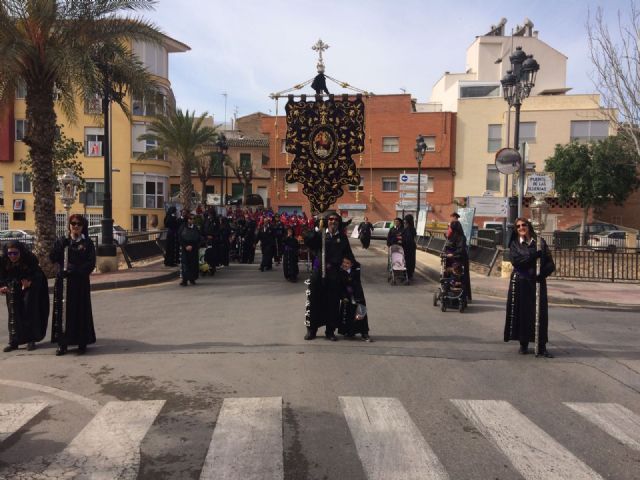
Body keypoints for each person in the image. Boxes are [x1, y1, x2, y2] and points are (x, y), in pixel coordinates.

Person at [504, 217, 555, 357]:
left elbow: (550, 263)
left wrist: (542, 274)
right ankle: (523, 343)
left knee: (540, 313)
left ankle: (542, 346)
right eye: (518, 226)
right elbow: (517, 262)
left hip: (537, 283)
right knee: (523, 313)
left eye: (523, 225)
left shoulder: (540, 242)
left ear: (528, 226)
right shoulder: (514, 244)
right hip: (521, 282)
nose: (521, 227)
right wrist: (534, 255)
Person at [304, 211, 355, 341]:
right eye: (331, 219)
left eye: (336, 220)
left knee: (332, 304)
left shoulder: (342, 238)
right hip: (317, 274)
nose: (333, 221)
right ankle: (312, 330)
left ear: (339, 222)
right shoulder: (320, 234)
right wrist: (317, 230)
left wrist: (349, 267)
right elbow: (308, 240)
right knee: (314, 302)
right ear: (327, 222)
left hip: (334, 275)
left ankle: (330, 331)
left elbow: (349, 256)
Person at [50, 214, 96, 356]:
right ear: (69, 225)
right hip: (64, 283)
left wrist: (77, 270)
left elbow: (91, 262)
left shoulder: (87, 243)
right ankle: (62, 343)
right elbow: (52, 258)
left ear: (83, 227)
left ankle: (81, 342)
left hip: (79, 283)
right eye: (73, 223)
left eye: (79, 224)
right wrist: (60, 247)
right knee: (63, 312)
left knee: (80, 311)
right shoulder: (62, 241)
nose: (75, 226)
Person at [0, 241, 49, 352]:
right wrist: (2, 286)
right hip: (13, 285)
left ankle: (30, 340)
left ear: (20, 252)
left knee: (28, 309)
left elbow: (37, 274)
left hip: (30, 285)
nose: (12, 256)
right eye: (10, 253)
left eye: (15, 253)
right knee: (13, 311)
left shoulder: (30, 258)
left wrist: (29, 282)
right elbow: (1, 276)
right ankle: (14, 341)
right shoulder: (3, 260)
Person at [337, 256, 371, 341]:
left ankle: (364, 333)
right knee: (348, 314)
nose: (345, 264)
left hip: (358, 295)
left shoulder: (356, 270)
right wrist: (343, 296)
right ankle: (349, 332)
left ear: (352, 264)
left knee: (360, 313)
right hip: (346, 296)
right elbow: (340, 286)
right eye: (344, 262)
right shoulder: (340, 272)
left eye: (347, 263)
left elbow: (357, 266)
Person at [445, 219, 472, 302]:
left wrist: (452, 254)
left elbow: (461, 249)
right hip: (450, 259)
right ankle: (449, 292)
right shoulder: (451, 237)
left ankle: (464, 295)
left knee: (461, 277)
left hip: (460, 259)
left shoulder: (461, 237)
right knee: (449, 275)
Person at [179, 214, 201, 286]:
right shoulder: (183, 227)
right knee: (185, 264)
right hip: (185, 249)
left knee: (193, 264)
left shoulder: (195, 228)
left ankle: (192, 279)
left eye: (193, 219)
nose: (192, 220)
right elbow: (180, 237)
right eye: (190, 219)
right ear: (187, 220)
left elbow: (198, 238)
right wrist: (185, 246)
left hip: (193, 248)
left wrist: (192, 246)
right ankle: (184, 280)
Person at [402, 214, 417, 282]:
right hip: (411, 247)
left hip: (408, 247)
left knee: (407, 261)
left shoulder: (408, 229)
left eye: (405, 220)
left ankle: (407, 275)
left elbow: (408, 239)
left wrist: (401, 239)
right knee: (410, 261)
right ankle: (409, 274)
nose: (404, 221)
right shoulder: (412, 228)